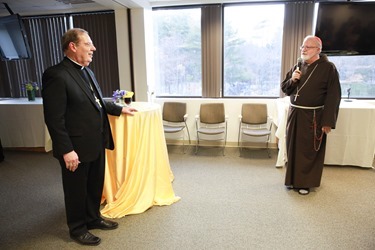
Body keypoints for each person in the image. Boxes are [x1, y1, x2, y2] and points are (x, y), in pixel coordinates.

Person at [42, 28, 137, 246]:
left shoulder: (87, 71)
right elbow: (54, 119)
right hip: (75, 146)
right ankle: (77, 228)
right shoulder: (56, 74)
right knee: (76, 190)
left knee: (94, 185)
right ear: (73, 46)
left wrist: (118, 109)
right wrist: (67, 150)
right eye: (88, 44)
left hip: (96, 141)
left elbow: (96, 100)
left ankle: (93, 218)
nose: (93, 48)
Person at [281, 35, 341, 195]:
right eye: (302, 46)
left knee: (308, 150)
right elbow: (285, 89)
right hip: (295, 114)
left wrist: (327, 121)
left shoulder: (328, 68)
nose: (303, 49)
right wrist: (292, 80)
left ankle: (305, 183)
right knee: (293, 147)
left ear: (318, 50)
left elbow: (333, 96)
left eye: (308, 47)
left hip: (313, 116)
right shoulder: (298, 65)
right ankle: (292, 180)